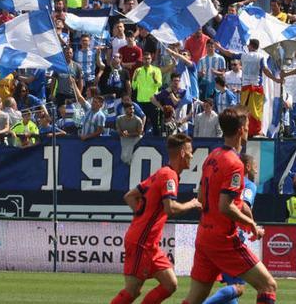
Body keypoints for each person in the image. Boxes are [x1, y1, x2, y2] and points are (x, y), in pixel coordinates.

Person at [181, 107, 277, 304]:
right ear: (241, 130)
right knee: (268, 286)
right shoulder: (234, 163)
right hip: (222, 239)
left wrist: (246, 218)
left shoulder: (212, 156)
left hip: (204, 236)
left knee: (194, 299)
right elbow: (226, 206)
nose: (250, 130)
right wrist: (250, 225)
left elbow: (202, 196)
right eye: (248, 126)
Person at [110, 133, 201, 304]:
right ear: (182, 152)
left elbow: (130, 196)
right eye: (190, 151)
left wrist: (142, 215)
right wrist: (192, 204)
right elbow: (171, 208)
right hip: (141, 242)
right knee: (132, 290)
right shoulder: (169, 175)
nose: (192, 155)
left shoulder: (162, 173)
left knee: (170, 284)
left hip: (149, 243)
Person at [203, 153, 259, 304]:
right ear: (247, 167)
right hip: (230, 238)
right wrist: (253, 225)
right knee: (239, 286)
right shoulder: (249, 185)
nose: (256, 170)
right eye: (254, 166)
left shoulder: (225, 180)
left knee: (231, 286)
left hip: (212, 234)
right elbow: (245, 205)